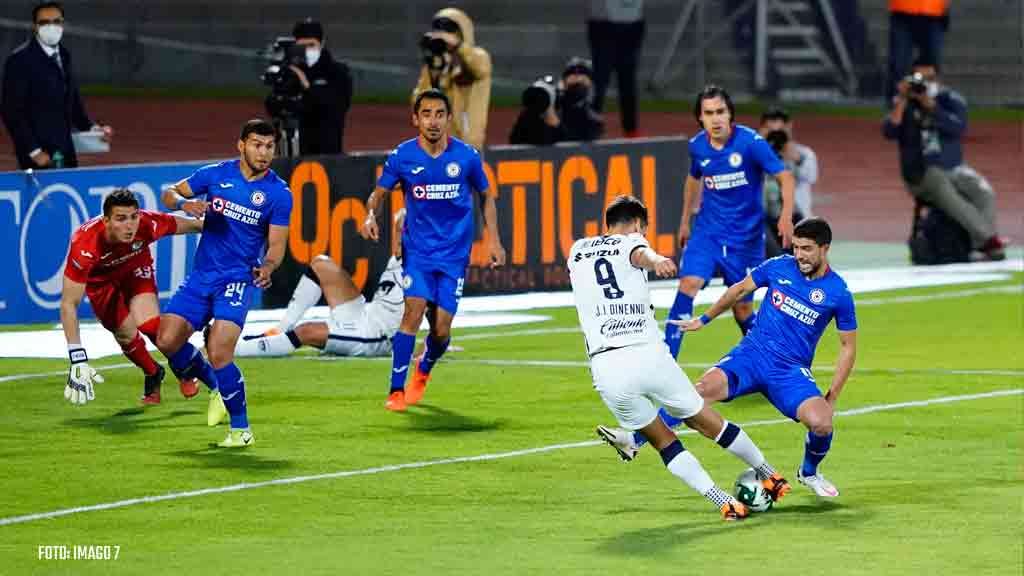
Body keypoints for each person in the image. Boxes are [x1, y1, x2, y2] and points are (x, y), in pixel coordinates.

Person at [570, 195, 791, 521]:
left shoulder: (577, 250)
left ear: (607, 224)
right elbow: (638, 253)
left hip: (606, 367)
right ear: (638, 225)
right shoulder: (633, 241)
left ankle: (723, 502)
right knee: (707, 422)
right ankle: (771, 476)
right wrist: (656, 260)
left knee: (663, 442)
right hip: (647, 355)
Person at [601, 217, 857, 498]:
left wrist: (832, 398)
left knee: (822, 424)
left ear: (825, 248)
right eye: (795, 247)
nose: (798, 255)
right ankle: (634, 439)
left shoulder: (838, 293)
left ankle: (809, 472)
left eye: (806, 249)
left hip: (789, 371)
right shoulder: (778, 267)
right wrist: (705, 319)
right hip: (750, 356)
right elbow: (739, 290)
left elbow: (848, 347)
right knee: (698, 392)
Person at [360, 89, 505, 412]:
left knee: (440, 329)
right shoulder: (403, 156)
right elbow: (379, 193)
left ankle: (424, 367)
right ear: (416, 119)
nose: (433, 121)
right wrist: (370, 214)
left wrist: (493, 239)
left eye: (440, 114)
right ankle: (396, 390)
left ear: (449, 118)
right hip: (418, 253)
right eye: (426, 114)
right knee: (412, 311)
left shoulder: (466, 156)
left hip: (454, 256)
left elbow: (487, 196)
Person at [156, 119, 293, 448]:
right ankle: (214, 384)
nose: (263, 153)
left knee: (220, 351)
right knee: (166, 339)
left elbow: (276, 245)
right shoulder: (215, 174)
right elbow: (168, 193)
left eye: (269, 147)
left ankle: (241, 430)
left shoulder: (278, 193)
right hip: (201, 277)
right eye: (257, 145)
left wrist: (269, 267)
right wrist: (183, 203)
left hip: (237, 280)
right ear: (241, 145)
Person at [664, 85, 795, 360]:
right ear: (700, 118)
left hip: (744, 241)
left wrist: (785, 216)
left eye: (720, 111)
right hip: (708, 234)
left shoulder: (751, 143)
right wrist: (685, 221)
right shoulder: (697, 146)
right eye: (708, 113)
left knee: (743, 309)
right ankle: (665, 363)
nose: (715, 119)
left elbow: (786, 177)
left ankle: (770, 361)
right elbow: (693, 179)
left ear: (730, 114)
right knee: (688, 284)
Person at [60, 189, 202, 406]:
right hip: (102, 285)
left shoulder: (145, 223)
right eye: (120, 218)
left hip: (135, 270)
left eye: (133, 216)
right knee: (126, 336)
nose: (130, 225)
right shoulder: (84, 245)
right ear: (106, 220)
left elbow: (189, 225)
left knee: (149, 324)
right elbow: (69, 303)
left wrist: (223, 226)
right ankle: (153, 372)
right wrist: (76, 355)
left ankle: (184, 368)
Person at [236, 211, 406, 359]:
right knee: (321, 264)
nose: (397, 236)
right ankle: (281, 329)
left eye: (403, 231)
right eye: (397, 231)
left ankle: (235, 349)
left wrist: (423, 353)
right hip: (366, 316)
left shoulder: (423, 266)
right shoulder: (398, 257)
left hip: (376, 337)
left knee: (305, 332)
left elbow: (431, 309)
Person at [883, 59, 1006, 261]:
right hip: (921, 172)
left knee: (984, 192)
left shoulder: (951, 100)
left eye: (930, 79)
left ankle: (977, 247)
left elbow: (958, 129)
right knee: (946, 191)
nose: (925, 83)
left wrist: (931, 106)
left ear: (938, 80)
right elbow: (889, 131)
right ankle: (990, 241)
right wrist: (902, 100)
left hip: (955, 167)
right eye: (920, 79)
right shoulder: (904, 102)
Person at [1, 1, 113, 170]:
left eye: (56, 21)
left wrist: (95, 131)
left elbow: (73, 104)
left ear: (63, 24)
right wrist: (33, 151)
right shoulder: (19, 60)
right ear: (34, 27)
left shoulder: (64, 55)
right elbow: (12, 112)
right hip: (39, 157)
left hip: (65, 151)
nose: (51, 26)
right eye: (44, 22)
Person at [412, 7, 491, 151]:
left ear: (462, 32)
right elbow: (418, 103)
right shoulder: (440, 64)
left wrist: (459, 46)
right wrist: (432, 69)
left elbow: (480, 69)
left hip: (469, 147)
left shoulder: (478, 56)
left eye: (450, 31)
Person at [287, 18, 352, 155]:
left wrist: (306, 85)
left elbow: (335, 107)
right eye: (302, 46)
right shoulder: (289, 71)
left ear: (322, 43)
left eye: (311, 45)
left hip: (328, 152)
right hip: (293, 152)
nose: (307, 50)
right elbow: (274, 105)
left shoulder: (338, 72)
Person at [587, 0, 645, 137]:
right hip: (603, 22)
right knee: (600, 79)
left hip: (632, 21)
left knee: (627, 80)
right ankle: (590, 128)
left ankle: (631, 130)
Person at [759, 107, 817, 218]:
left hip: (796, 217)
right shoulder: (755, 153)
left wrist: (797, 159)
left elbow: (811, 177)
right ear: (762, 129)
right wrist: (758, 144)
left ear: (789, 127)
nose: (776, 135)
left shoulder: (804, 153)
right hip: (764, 219)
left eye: (780, 130)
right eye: (770, 129)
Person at [886, 0, 948, 103]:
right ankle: (896, 105)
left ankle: (931, 105)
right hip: (903, 10)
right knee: (899, 64)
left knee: (932, 63)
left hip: (934, 10)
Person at [558, 57, 604, 143]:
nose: (577, 77)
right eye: (572, 73)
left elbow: (597, 125)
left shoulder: (592, 103)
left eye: (582, 74)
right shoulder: (559, 100)